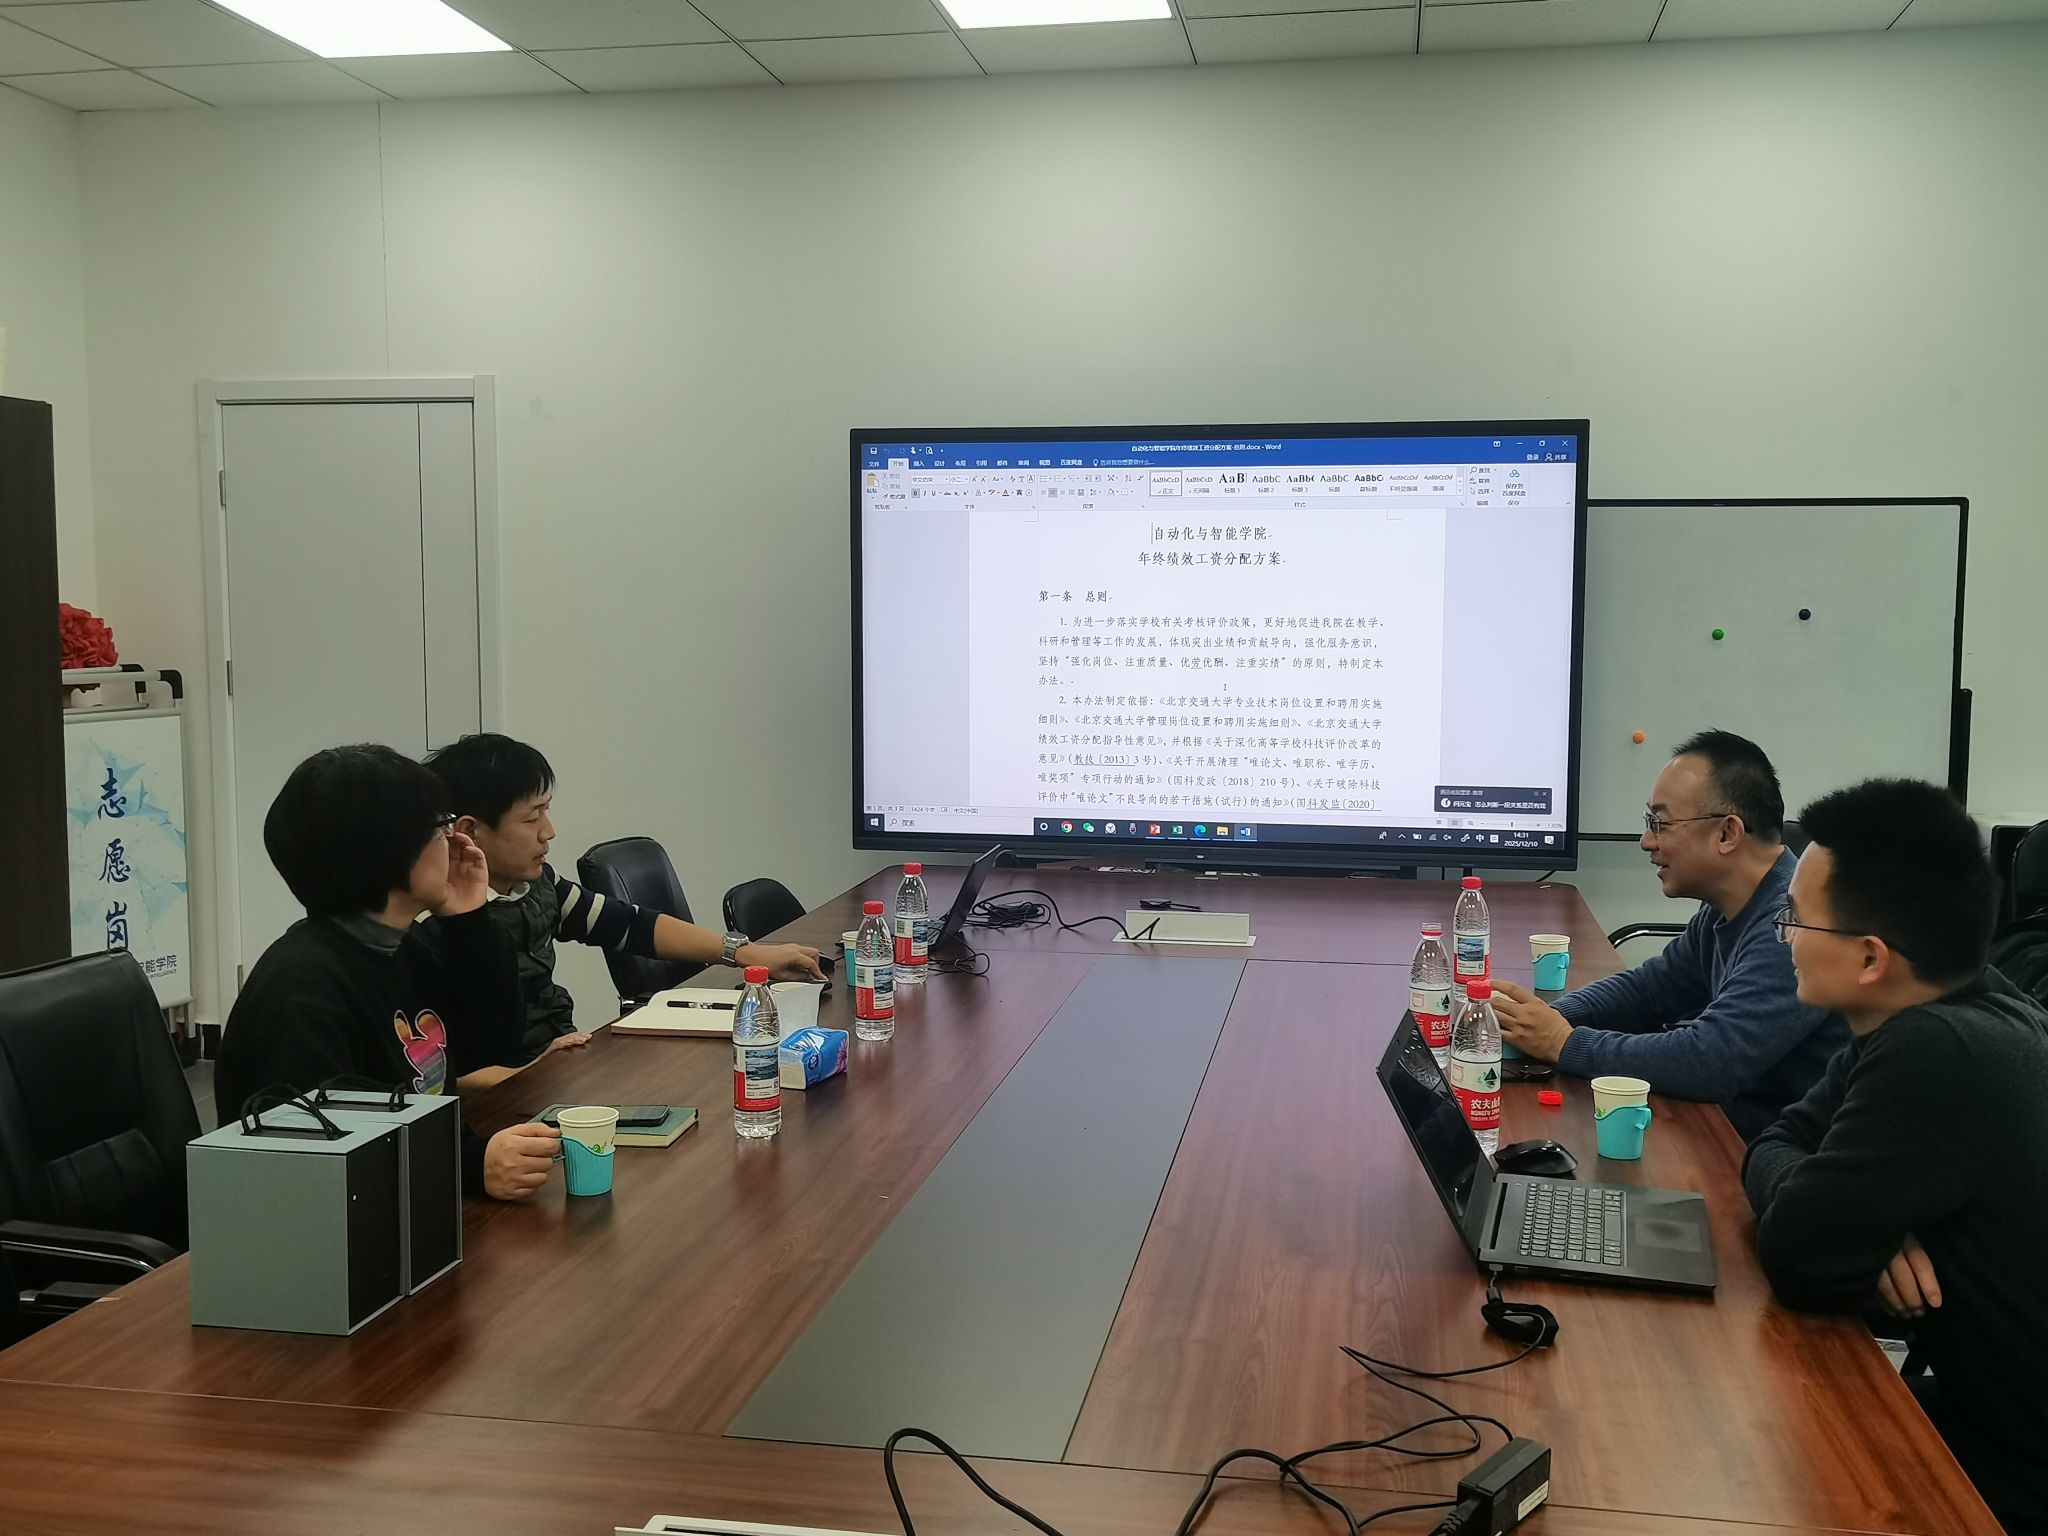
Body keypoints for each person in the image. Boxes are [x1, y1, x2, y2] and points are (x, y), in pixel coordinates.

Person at [1744, 779, 2048, 1535]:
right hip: (1989, 1419)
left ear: (1870, 957)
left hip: (2018, 1477)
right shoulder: (1962, 1001)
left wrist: (1843, 1225)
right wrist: (1873, 1232)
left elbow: (1797, 1251)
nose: (1785, 937)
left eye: (1795, 918)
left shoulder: (1936, 1051)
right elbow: (1775, 1143)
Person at [215, 745, 561, 1202]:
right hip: (341, 1218)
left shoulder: (402, 945)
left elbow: (492, 1044)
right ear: (388, 852)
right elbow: (328, 1155)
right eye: (440, 827)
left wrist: (469, 923)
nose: (455, 842)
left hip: (411, 1191)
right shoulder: (303, 990)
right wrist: (469, 1165)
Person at [1488, 730, 1847, 1141]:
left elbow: (1710, 1060)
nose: (1647, 842)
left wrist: (1564, 1043)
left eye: (1660, 823)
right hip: (1726, 1127)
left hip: (1768, 1151)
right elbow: (1651, 990)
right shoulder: (1727, 905)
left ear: (1727, 834)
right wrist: (1546, 1019)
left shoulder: (1791, 925)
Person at [423, 733, 825, 1061]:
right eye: (532, 818)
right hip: (508, 1091)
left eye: (546, 811)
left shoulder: (537, 885)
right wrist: (530, 1069)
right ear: (469, 832)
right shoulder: (438, 926)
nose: (549, 831)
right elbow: (448, 1072)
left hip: (558, 1061)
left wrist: (748, 953)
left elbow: (630, 925)